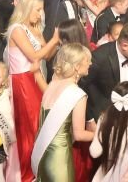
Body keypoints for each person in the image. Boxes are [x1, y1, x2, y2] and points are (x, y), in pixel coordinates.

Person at [8, 0, 61, 182]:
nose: (40, 14)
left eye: (42, 10)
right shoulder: (17, 29)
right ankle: (25, 173)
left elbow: (46, 55)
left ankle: (35, 168)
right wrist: (54, 40)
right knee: (27, 127)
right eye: (37, 10)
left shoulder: (34, 29)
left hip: (36, 78)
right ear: (27, 8)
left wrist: (56, 43)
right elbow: (34, 56)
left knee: (38, 124)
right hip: (22, 82)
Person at [32, 43, 97, 181]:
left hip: (42, 152)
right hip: (59, 158)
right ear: (77, 66)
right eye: (87, 60)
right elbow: (79, 135)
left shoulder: (51, 86)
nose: (90, 63)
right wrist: (101, 134)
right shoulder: (77, 94)